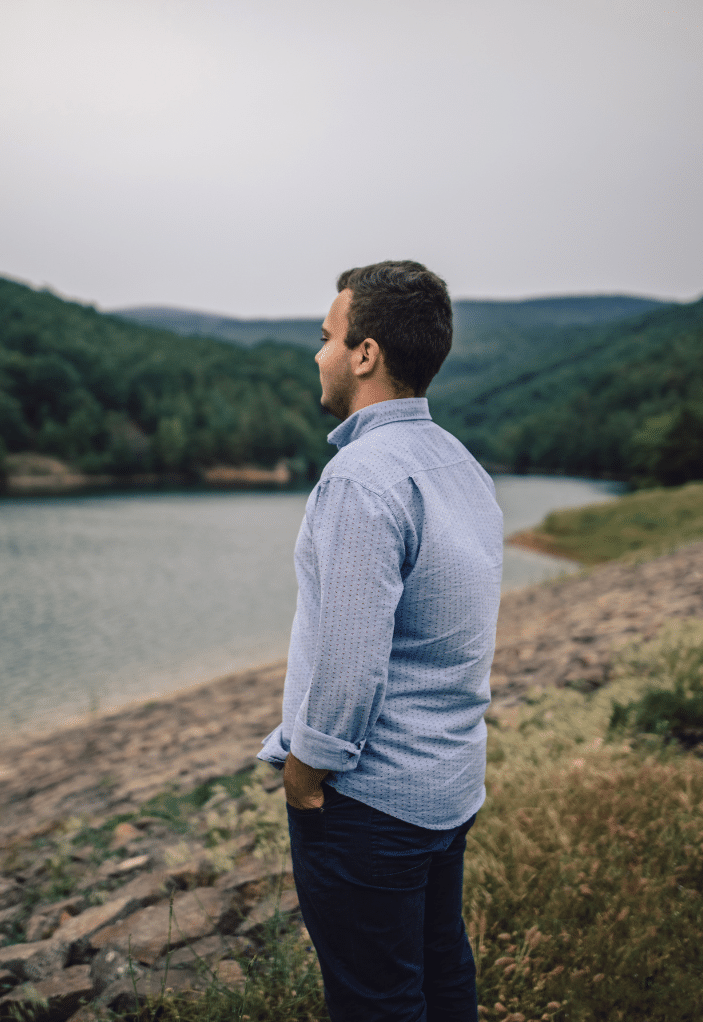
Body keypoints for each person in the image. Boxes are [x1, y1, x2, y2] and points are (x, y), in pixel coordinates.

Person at [258, 260, 503, 1022]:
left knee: (376, 1002)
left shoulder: (361, 479)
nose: (319, 353)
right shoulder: (459, 465)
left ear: (366, 354)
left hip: (371, 805)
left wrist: (306, 772)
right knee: (440, 974)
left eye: (328, 336)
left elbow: (350, 661)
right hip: (447, 785)